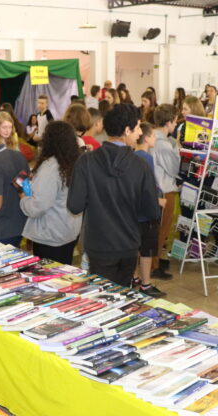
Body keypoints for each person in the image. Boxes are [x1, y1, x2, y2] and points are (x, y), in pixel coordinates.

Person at [67, 103, 159, 287]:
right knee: (122, 300)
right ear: (126, 130)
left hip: (98, 245)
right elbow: (152, 211)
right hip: (129, 244)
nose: (140, 133)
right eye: (138, 127)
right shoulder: (140, 166)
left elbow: (74, 205)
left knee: (100, 301)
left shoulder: (86, 161)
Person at [19, 121, 82, 265]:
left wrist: (23, 198)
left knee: (48, 279)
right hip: (69, 231)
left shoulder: (51, 167)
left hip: (50, 235)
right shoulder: (75, 162)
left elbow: (37, 206)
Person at [133, 122, 165, 297]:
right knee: (146, 250)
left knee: (136, 248)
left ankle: (135, 278)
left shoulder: (133, 155)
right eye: (153, 136)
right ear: (146, 138)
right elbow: (147, 187)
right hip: (146, 213)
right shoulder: (146, 158)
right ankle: (146, 284)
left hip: (135, 212)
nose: (155, 139)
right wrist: (157, 201)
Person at [151, 103, 180, 280]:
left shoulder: (153, 137)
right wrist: (176, 148)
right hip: (164, 190)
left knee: (157, 230)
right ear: (168, 122)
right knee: (161, 230)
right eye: (175, 122)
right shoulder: (164, 144)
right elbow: (174, 169)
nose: (176, 125)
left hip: (156, 189)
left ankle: (156, 260)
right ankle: (154, 266)